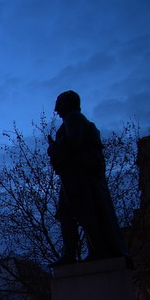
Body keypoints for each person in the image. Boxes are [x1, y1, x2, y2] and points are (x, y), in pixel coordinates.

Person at [47, 90, 129, 264]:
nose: (56, 109)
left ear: (66, 104)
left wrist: (54, 147)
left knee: (82, 212)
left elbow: (74, 143)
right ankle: (75, 253)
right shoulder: (74, 120)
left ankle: (88, 251)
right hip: (74, 175)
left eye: (59, 104)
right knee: (69, 212)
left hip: (78, 176)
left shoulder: (73, 118)